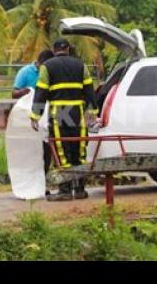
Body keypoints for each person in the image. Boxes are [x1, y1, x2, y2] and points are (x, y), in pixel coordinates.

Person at [30, 38, 98, 201]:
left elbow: (41, 92)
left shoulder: (48, 66)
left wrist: (35, 116)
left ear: (54, 50)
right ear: (68, 49)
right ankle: (80, 189)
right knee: (79, 149)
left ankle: (65, 190)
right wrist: (93, 112)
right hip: (78, 112)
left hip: (59, 112)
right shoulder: (81, 65)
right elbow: (89, 90)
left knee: (61, 149)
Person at [11, 50, 55, 195]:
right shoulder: (25, 72)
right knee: (30, 153)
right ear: (40, 63)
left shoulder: (50, 71)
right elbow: (14, 93)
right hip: (29, 119)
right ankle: (29, 185)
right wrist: (28, 91)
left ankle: (41, 184)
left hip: (46, 117)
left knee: (46, 151)